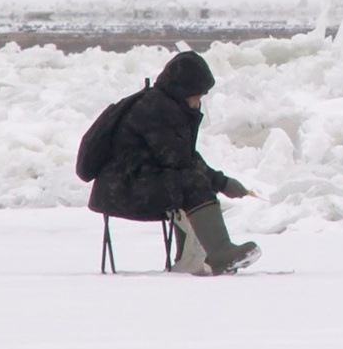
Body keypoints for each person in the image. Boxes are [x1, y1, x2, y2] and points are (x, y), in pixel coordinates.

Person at [88, 50, 260, 274]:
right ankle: (220, 253)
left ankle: (190, 259)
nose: (198, 101)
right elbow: (178, 160)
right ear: (183, 90)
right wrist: (222, 183)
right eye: (196, 95)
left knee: (184, 181)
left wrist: (221, 181)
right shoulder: (157, 109)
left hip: (130, 185)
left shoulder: (164, 105)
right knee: (191, 182)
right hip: (124, 190)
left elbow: (183, 156)